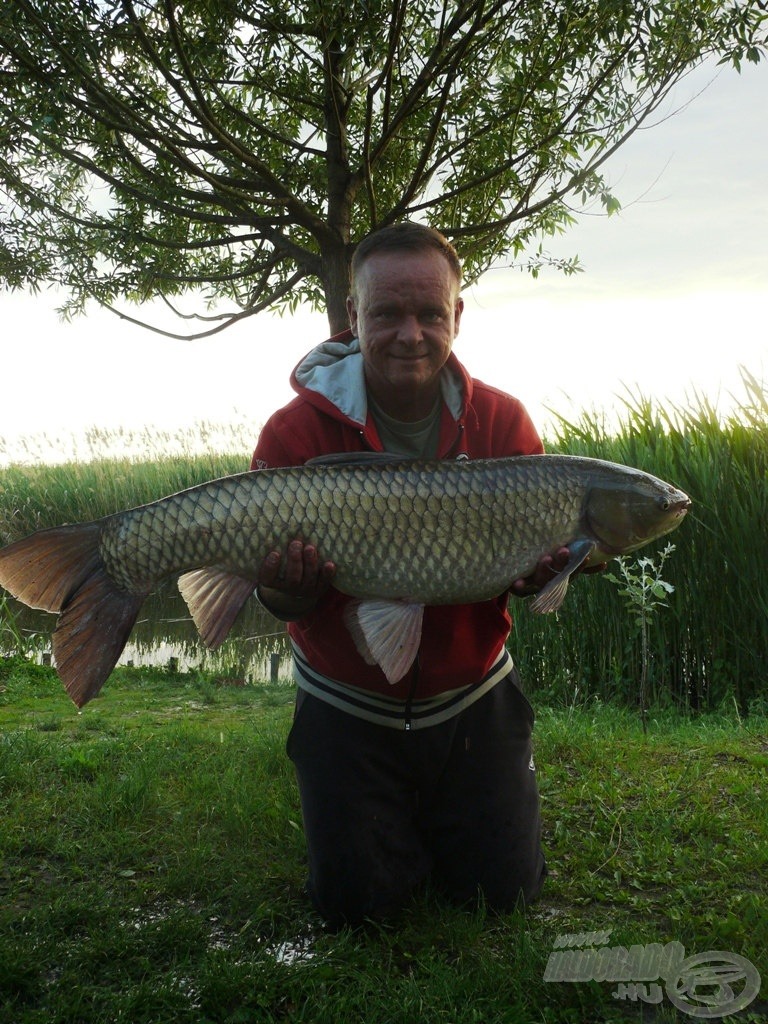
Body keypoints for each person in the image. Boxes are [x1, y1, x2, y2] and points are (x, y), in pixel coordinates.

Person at [251, 222, 579, 928]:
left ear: (456, 316)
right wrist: (292, 586)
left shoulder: (503, 423)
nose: (410, 334)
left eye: (430, 313)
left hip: (472, 697)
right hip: (347, 704)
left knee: (504, 897)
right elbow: (275, 597)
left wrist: (535, 574)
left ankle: (448, 813)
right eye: (387, 313)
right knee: (358, 911)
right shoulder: (293, 434)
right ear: (353, 317)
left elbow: (529, 577)